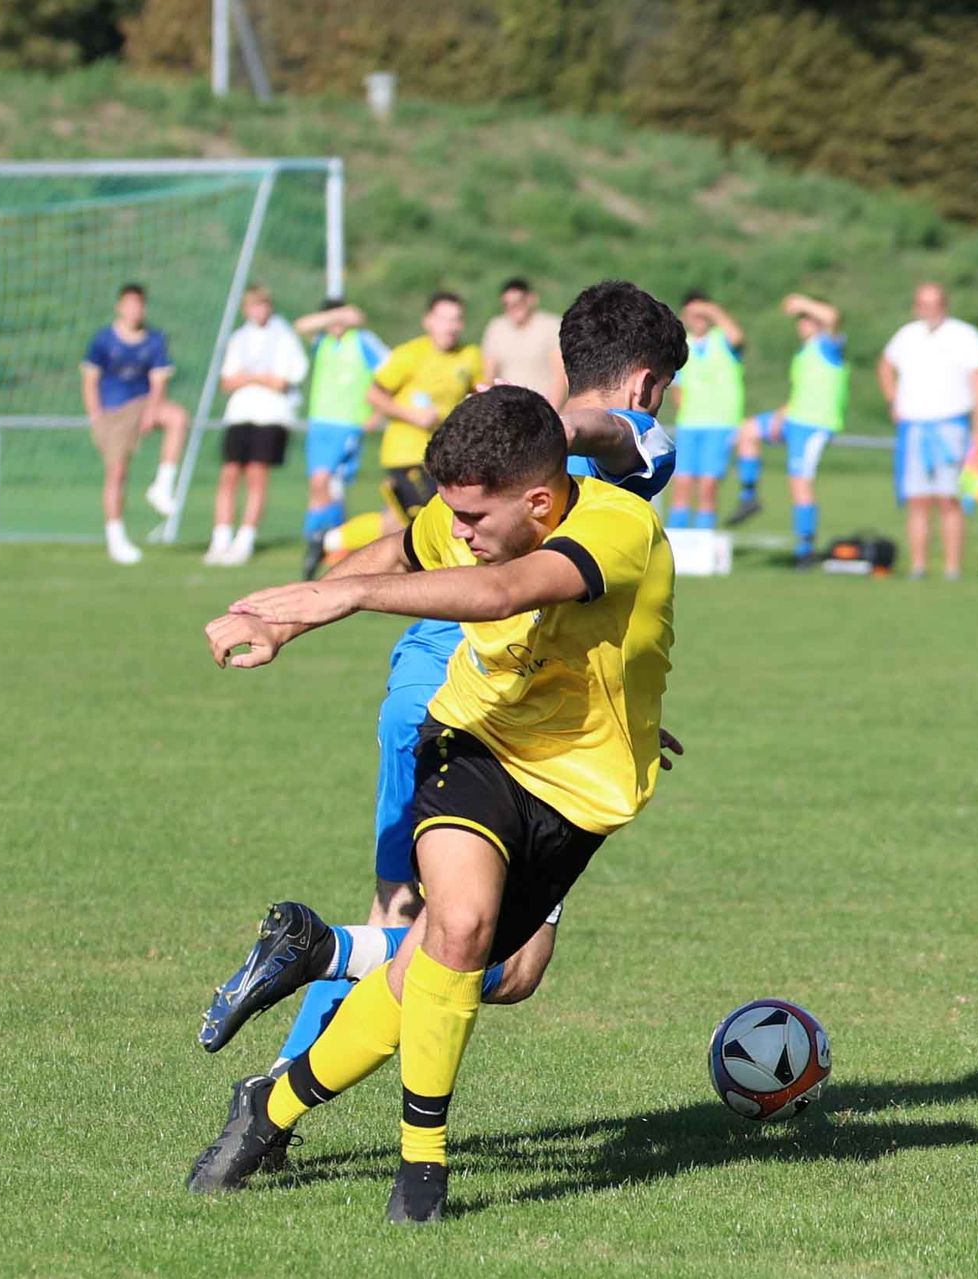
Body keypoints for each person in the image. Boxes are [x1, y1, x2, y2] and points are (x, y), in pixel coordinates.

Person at [192, 383, 676, 1224]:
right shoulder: (470, 522)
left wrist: (340, 597)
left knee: (436, 968)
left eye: (475, 519)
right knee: (458, 927)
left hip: (581, 794)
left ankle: (267, 1108)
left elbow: (504, 593)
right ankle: (423, 1172)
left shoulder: (616, 527)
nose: (458, 534)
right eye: (451, 514)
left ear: (539, 499)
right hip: (474, 744)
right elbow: (403, 549)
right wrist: (286, 621)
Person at [318, 292, 484, 565]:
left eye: (457, 319)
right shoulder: (410, 354)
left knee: (394, 524)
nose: (450, 326)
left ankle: (330, 540)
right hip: (407, 452)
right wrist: (412, 415)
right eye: (443, 319)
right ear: (428, 321)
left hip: (448, 455)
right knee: (432, 515)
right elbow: (373, 395)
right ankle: (444, 582)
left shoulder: (470, 356)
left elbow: (479, 396)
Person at [878, 282, 978, 580]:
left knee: (949, 499)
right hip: (914, 428)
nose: (929, 310)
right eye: (923, 304)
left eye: (935, 304)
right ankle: (919, 566)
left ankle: (952, 567)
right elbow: (885, 365)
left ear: (945, 305)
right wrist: (893, 401)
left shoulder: (964, 335)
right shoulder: (907, 335)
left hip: (950, 427)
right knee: (917, 501)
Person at [734, 293, 847, 568]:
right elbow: (804, 393)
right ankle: (749, 497)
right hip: (794, 418)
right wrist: (782, 415)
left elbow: (833, 317)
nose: (802, 324)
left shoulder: (828, 346)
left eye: (807, 319)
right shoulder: (804, 353)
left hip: (814, 425)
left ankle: (805, 551)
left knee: (800, 483)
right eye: (801, 320)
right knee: (746, 431)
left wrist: (802, 302)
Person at [79, 283, 189, 565]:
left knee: (177, 417)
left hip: (143, 404)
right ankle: (115, 536)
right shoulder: (104, 340)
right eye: (128, 304)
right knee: (116, 473)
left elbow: (158, 380)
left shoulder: (154, 339)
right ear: (120, 307)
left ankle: (163, 484)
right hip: (114, 413)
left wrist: (152, 410)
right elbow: (90, 380)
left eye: (138, 304)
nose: (134, 310)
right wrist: (95, 416)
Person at [206, 286, 309, 566]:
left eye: (264, 305)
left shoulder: (284, 337)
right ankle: (221, 538)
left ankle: (245, 540)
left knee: (256, 474)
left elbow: (283, 380)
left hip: (271, 415)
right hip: (241, 414)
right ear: (246, 309)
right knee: (229, 474)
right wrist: (258, 378)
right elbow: (228, 381)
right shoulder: (239, 338)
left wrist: (252, 378)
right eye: (254, 305)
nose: (259, 311)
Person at [294, 299, 390, 578]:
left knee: (323, 481)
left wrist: (377, 411)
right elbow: (300, 325)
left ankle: (320, 540)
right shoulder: (322, 340)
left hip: (348, 424)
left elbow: (391, 368)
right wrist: (335, 315)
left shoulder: (361, 341)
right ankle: (332, 541)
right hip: (319, 422)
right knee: (324, 486)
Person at [669, 291, 746, 530]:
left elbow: (737, 337)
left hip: (720, 423)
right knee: (681, 484)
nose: (698, 319)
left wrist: (712, 310)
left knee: (708, 486)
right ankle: (677, 541)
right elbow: (677, 387)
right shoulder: (683, 346)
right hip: (690, 423)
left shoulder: (721, 340)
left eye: (702, 314)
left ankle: (703, 538)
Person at [480, 276, 566, 405]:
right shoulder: (496, 328)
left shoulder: (551, 326)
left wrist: (552, 412)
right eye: (507, 304)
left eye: (517, 302)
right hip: (507, 406)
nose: (513, 308)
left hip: (541, 405)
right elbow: (489, 373)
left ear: (531, 299)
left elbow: (559, 375)